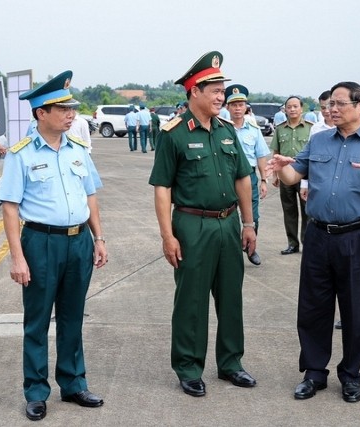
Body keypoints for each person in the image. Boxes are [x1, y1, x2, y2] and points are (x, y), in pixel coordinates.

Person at [266, 81, 360, 403]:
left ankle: (351, 375)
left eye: (340, 104)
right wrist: (282, 169)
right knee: (313, 307)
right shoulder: (318, 142)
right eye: (330, 104)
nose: (332, 109)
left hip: (358, 237)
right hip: (318, 235)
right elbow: (294, 176)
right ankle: (314, 372)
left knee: (355, 308)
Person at [0, 70, 107, 421]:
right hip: (40, 242)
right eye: (62, 108)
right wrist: (18, 257)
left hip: (79, 242)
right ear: (41, 113)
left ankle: (74, 384)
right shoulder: (21, 154)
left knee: (73, 316)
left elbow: (90, 195)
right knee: (38, 320)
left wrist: (99, 237)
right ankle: (36, 390)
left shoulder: (77, 150)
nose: (70, 114)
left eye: (72, 108)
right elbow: (10, 207)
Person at [149, 51, 257, 398]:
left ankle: (231, 364)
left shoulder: (227, 131)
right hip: (192, 225)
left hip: (228, 223)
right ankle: (188, 367)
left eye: (222, 90)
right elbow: (163, 188)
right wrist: (168, 235)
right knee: (191, 301)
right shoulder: (174, 134)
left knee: (231, 297)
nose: (221, 96)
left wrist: (249, 222)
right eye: (214, 89)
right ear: (194, 91)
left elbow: (243, 177)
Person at [225, 84, 271, 266]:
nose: (237, 108)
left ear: (246, 107)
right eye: (233, 105)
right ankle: (231, 250)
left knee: (253, 216)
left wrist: (264, 180)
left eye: (241, 104)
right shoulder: (221, 128)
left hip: (249, 177)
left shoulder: (254, 129)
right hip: (227, 176)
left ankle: (250, 248)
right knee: (228, 214)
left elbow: (261, 156)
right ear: (227, 107)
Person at [270, 96, 313, 255]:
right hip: (285, 174)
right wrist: (276, 175)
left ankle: (306, 243)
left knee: (306, 211)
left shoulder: (310, 128)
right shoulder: (280, 129)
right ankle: (292, 243)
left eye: (296, 106)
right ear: (285, 109)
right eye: (289, 107)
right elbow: (276, 152)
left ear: (302, 109)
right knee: (289, 210)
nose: (292, 109)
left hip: (304, 175)